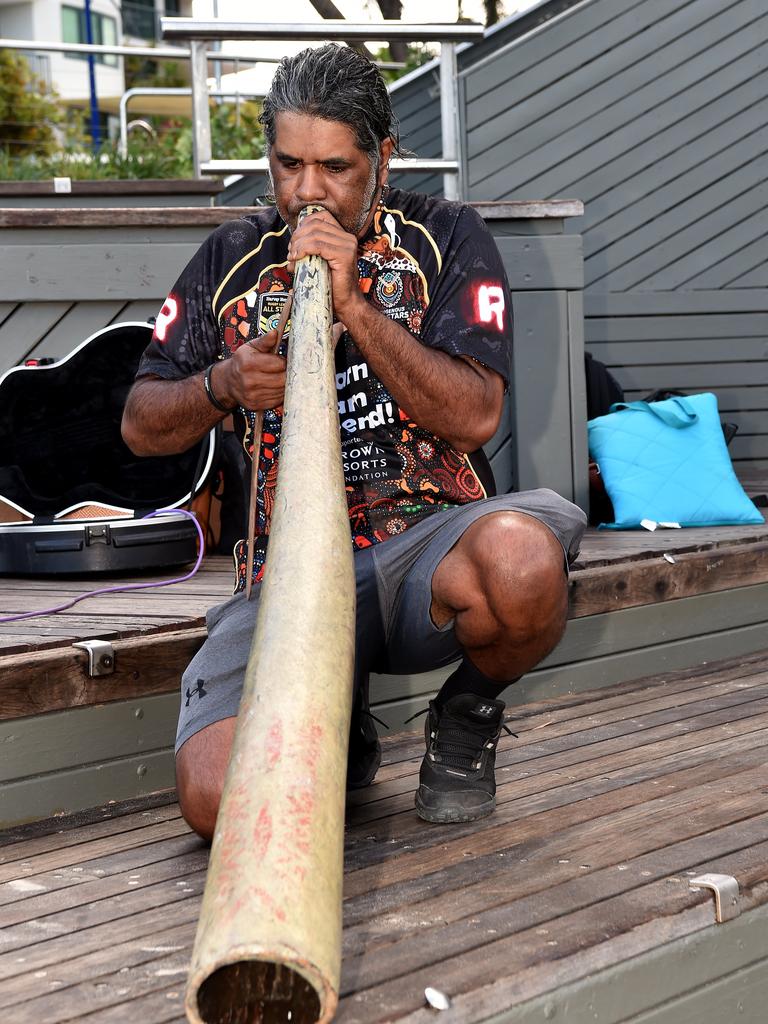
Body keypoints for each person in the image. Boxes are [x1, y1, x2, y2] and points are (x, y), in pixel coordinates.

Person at [122, 43, 586, 840]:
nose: (308, 192)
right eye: (288, 164)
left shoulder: (448, 236)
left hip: (421, 555)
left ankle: (465, 715)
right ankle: (340, 724)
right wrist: (219, 387)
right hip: (281, 575)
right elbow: (138, 424)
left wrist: (357, 309)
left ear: (382, 157)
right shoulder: (230, 259)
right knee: (215, 800)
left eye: (335, 167)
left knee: (521, 560)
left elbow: (476, 415)